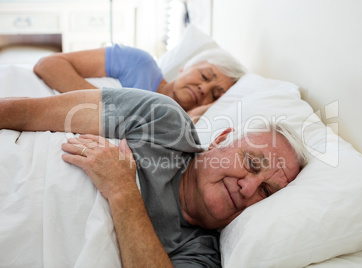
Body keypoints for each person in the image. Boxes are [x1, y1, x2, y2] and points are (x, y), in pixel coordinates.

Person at [0, 88, 308, 267]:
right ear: (221, 139)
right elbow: (31, 113)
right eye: (252, 163)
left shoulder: (201, 253)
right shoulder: (165, 120)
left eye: (266, 192)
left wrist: (122, 189)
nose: (248, 186)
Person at [33, 44, 247, 119]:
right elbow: (48, 65)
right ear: (186, 67)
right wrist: (109, 109)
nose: (204, 88)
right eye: (205, 76)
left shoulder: (179, 127)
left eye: (216, 94)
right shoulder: (141, 63)